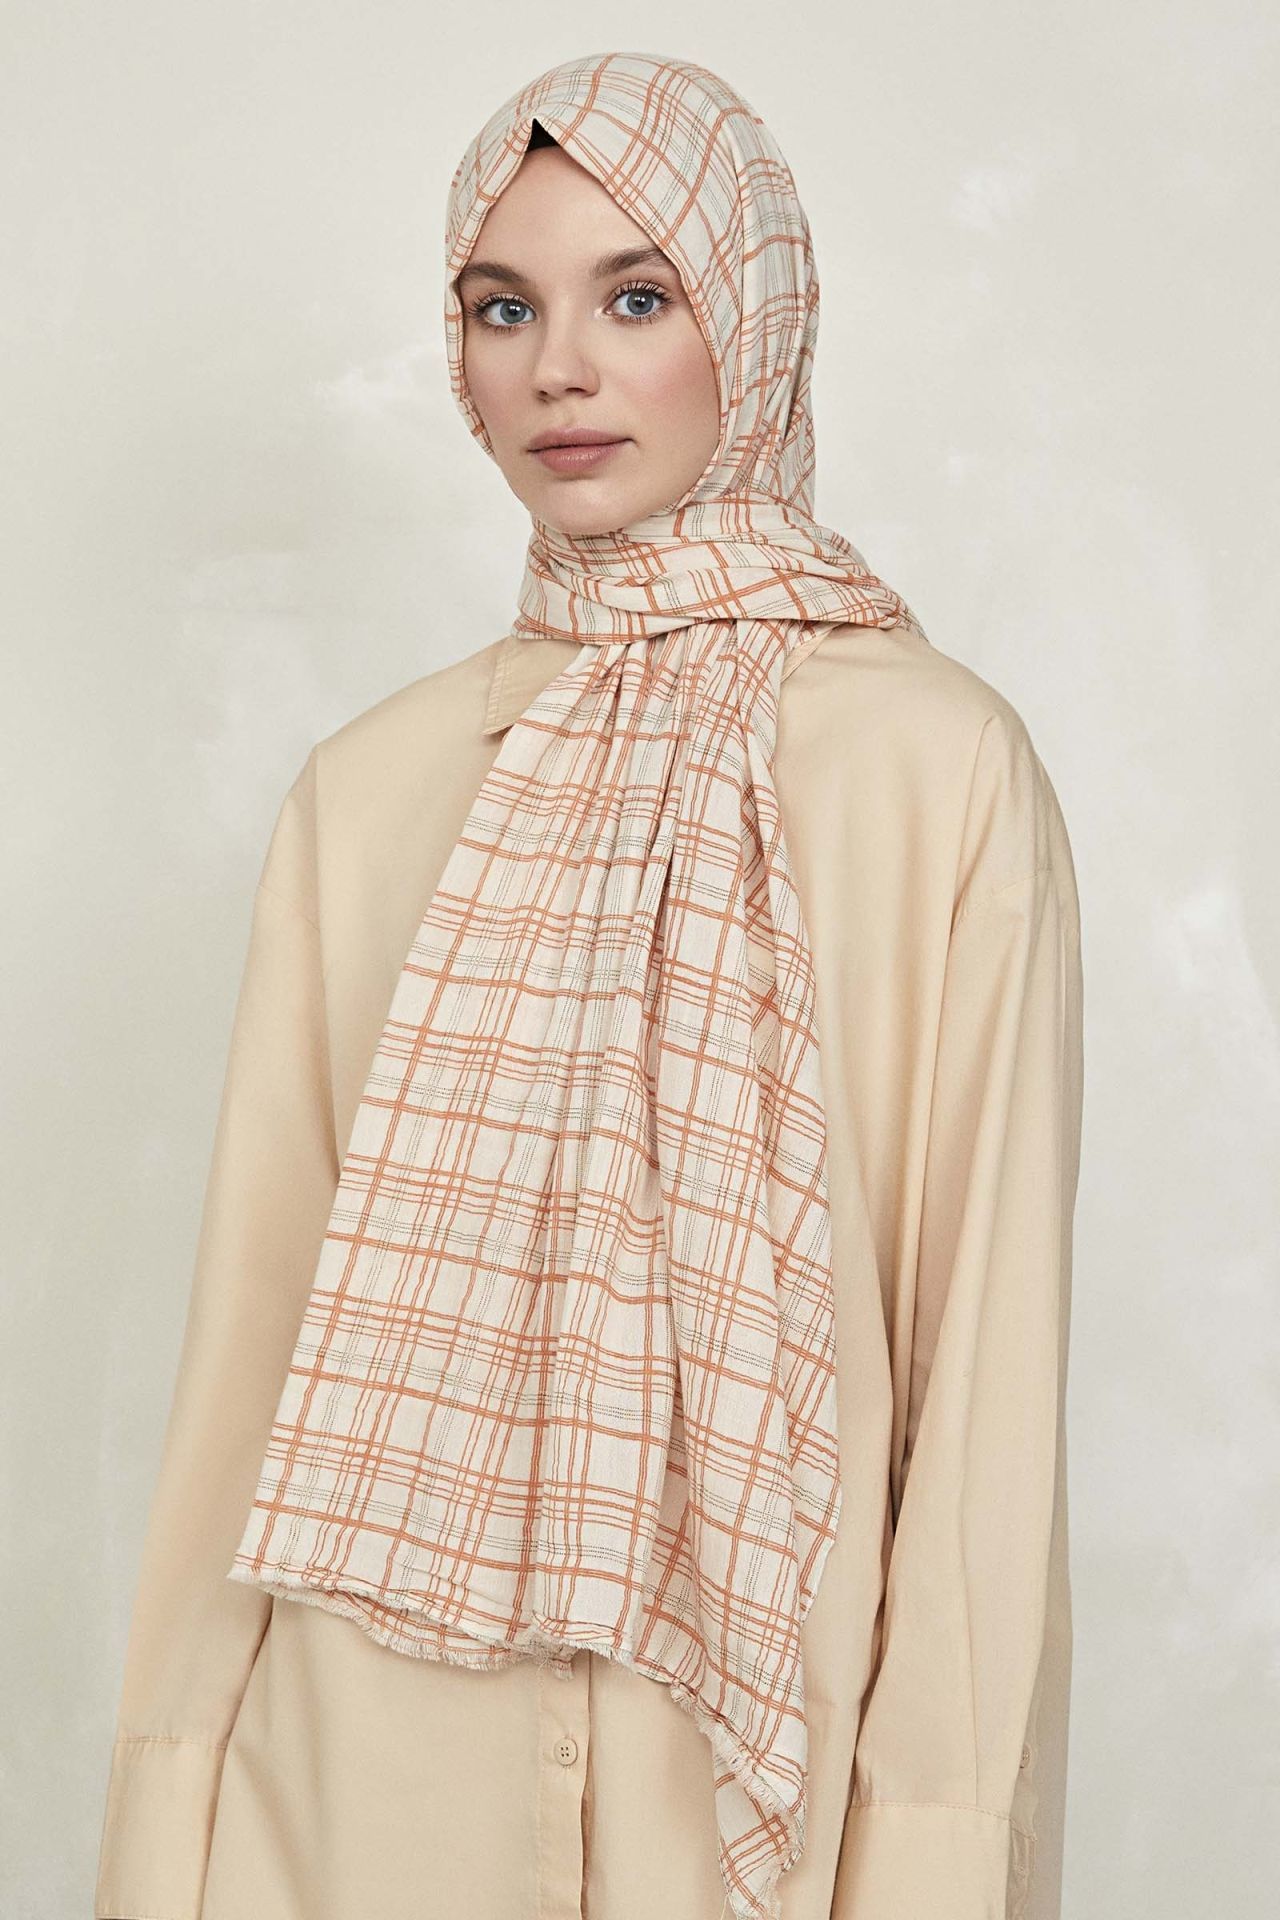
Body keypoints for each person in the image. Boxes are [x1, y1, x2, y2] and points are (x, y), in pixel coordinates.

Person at [94, 49, 1084, 1920]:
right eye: (503, 308)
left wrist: (933, 1863)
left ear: (756, 325)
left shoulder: (933, 773)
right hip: (354, 1795)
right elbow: (248, 1369)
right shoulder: (367, 796)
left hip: (748, 1798)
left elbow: (980, 1412)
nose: (559, 366)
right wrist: (164, 1840)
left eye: (638, 298)